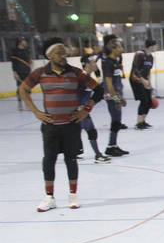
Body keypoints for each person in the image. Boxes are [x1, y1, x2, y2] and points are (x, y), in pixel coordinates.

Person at [19, 38, 104, 211]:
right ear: (49, 55)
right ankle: (49, 197)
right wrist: (35, 111)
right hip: (51, 126)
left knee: (71, 159)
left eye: (64, 52)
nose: (63, 55)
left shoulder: (75, 73)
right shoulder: (40, 73)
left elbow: (99, 90)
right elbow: (23, 89)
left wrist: (86, 109)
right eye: (59, 52)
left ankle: (73, 195)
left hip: (71, 125)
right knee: (49, 160)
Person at [75, 45, 110, 164]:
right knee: (91, 131)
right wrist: (78, 106)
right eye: (93, 62)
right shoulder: (81, 77)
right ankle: (98, 155)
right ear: (86, 64)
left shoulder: (88, 78)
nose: (95, 64)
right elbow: (75, 92)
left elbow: (100, 93)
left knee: (77, 132)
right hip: (80, 110)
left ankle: (76, 153)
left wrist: (113, 98)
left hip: (82, 109)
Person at [100, 35, 129, 157]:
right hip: (111, 95)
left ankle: (113, 145)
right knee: (116, 121)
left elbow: (117, 82)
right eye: (119, 46)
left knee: (117, 121)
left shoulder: (115, 62)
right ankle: (111, 146)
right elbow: (109, 83)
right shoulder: (108, 63)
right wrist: (116, 98)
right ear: (113, 49)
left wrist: (120, 96)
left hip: (116, 94)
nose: (122, 48)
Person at [129, 39, 157, 130]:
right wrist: (142, 79)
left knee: (149, 102)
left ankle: (143, 120)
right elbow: (135, 69)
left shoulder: (151, 57)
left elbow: (148, 71)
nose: (156, 47)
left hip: (144, 80)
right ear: (151, 46)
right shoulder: (139, 54)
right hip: (136, 80)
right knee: (144, 100)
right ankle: (138, 122)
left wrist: (150, 84)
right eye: (155, 46)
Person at [11, 37, 32, 111]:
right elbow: (13, 62)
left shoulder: (27, 50)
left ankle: (28, 104)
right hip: (19, 72)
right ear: (20, 42)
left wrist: (30, 66)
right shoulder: (15, 51)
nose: (25, 42)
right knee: (19, 88)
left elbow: (29, 60)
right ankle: (19, 104)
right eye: (23, 40)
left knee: (27, 88)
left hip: (27, 72)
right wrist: (14, 72)